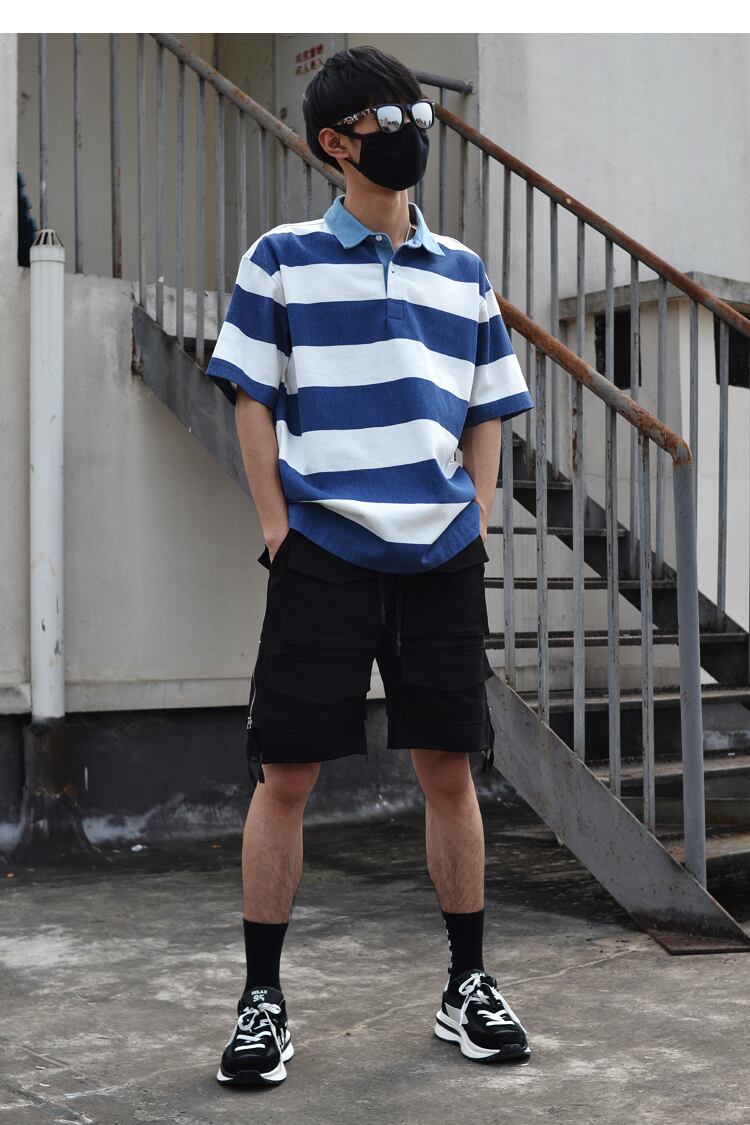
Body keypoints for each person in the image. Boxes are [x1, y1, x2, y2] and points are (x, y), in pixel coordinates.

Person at [206, 45, 535, 1087]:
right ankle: (262, 1000)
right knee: (285, 776)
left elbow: (488, 406)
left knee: (450, 771)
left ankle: (467, 985)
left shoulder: (465, 272)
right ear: (334, 143)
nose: (412, 130)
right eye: (389, 118)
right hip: (325, 551)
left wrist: (476, 516)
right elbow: (251, 394)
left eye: (418, 114)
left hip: (439, 555)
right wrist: (278, 526)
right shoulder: (282, 258)